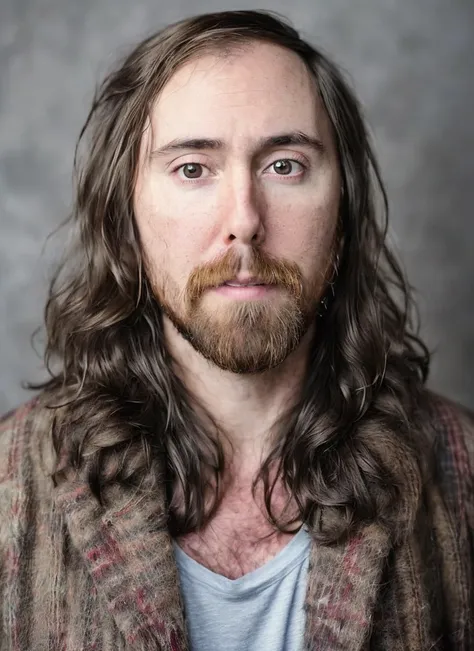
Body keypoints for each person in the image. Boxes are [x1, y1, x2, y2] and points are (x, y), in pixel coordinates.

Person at [0, 9, 473, 651]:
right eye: (193, 168)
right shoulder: (9, 488)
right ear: (125, 215)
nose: (245, 220)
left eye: (285, 165)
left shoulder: (462, 470)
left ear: (344, 206)